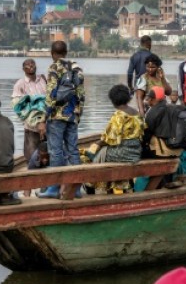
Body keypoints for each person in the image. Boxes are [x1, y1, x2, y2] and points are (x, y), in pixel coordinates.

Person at [42, 40, 85, 197]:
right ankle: (77, 189)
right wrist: (79, 114)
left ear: (52, 54)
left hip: (57, 116)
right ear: (66, 53)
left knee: (56, 151)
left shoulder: (54, 67)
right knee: (73, 151)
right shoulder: (76, 67)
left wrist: (43, 117)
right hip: (73, 115)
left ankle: (54, 188)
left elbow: (51, 94)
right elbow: (81, 93)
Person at [87, 84, 143, 194]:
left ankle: (93, 186)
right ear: (128, 98)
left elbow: (108, 139)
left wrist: (96, 145)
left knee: (97, 155)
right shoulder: (137, 114)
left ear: (113, 101)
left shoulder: (119, 115)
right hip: (136, 152)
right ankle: (115, 186)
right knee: (103, 152)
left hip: (123, 153)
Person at [11, 58, 48, 161]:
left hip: (47, 124)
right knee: (31, 156)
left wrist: (44, 121)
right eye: (28, 65)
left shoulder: (43, 79)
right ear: (23, 69)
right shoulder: (20, 84)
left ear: (36, 66)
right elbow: (18, 107)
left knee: (47, 154)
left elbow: (49, 100)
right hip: (31, 127)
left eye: (33, 64)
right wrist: (37, 122)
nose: (31, 66)